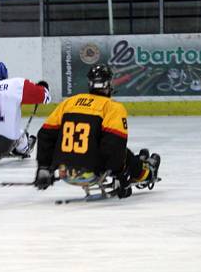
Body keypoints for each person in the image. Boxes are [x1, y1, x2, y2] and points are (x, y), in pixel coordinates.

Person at [33, 64, 160, 198]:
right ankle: (147, 172)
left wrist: (44, 167)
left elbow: (46, 135)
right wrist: (119, 175)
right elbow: (114, 145)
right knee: (124, 153)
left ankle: (138, 164)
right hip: (92, 173)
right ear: (108, 84)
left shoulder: (68, 103)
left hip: (65, 173)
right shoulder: (112, 107)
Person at [0, 61, 51, 165]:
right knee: (21, 133)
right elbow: (45, 98)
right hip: (7, 142)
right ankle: (24, 148)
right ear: (5, 74)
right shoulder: (16, 84)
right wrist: (43, 88)